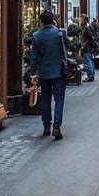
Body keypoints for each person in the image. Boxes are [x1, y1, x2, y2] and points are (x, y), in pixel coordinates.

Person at [30, 9, 67, 140]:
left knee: (45, 99)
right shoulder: (60, 33)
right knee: (59, 99)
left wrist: (32, 73)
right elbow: (66, 48)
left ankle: (46, 125)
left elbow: (34, 57)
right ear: (53, 20)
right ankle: (56, 126)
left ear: (41, 21)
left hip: (44, 73)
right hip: (58, 72)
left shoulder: (36, 36)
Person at [80, 13, 97, 81]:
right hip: (88, 46)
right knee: (90, 60)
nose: (80, 20)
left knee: (88, 61)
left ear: (84, 19)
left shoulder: (86, 28)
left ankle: (90, 76)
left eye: (81, 18)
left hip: (86, 46)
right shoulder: (87, 26)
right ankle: (91, 74)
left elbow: (90, 37)